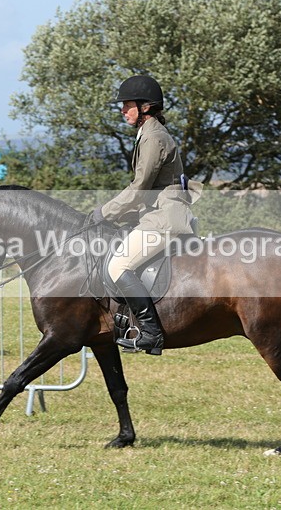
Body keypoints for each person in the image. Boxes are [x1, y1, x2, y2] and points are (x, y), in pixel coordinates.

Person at [93, 75, 199, 355]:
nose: (122, 110)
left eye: (127, 105)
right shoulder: (149, 133)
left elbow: (140, 187)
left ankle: (151, 333)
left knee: (118, 267)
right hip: (156, 212)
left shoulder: (153, 137)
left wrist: (104, 212)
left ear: (145, 107)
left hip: (164, 217)